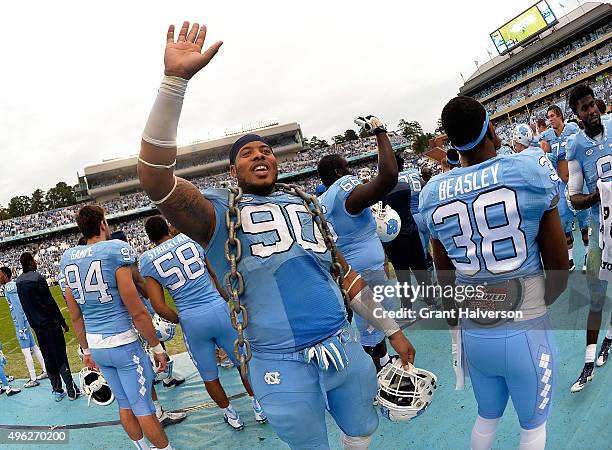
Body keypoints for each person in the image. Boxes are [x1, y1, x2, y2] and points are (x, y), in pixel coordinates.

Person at [137, 20, 414, 449]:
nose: (259, 154)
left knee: (362, 431)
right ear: (234, 172)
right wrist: (174, 83)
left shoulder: (303, 204)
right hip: (278, 361)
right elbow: (156, 179)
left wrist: (392, 329)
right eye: (247, 153)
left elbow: (345, 276)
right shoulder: (217, 214)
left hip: (342, 343)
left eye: (265, 149)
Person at [421, 96, 568, 450]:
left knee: (486, 417)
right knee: (532, 427)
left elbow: (444, 277)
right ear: (490, 129)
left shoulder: (432, 193)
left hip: (475, 333)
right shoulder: (528, 170)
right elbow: (559, 269)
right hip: (526, 329)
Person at [61, 205, 173, 450]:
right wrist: (156, 347)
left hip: (97, 346)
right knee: (144, 408)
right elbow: (137, 310)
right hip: (123, 343)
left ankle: (143, 448)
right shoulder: (115, 250)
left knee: (124, 403)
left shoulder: (69, 258)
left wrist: (87, 351)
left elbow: (76, 316)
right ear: (102, 224)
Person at [140, 215, 267, 429]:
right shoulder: (190, 240)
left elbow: (159, 306)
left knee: (210, 376)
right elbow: (216, 277)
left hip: (192, 319)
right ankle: (258, 406)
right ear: (167, 228)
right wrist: (226, 301)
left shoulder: (148, 259)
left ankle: (231, 415)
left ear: (150, 239)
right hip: (217, 308)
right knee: (242, 363)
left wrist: (182, 319)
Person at [317, 116, 401, 372]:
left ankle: (383, 363)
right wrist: (380, 131)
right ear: (338, 173)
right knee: (372, 329)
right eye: (347, 167)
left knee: (372, 326)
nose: (352, 172)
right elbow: (387, 178)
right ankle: (376, 377)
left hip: (351, 270)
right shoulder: (344, 191)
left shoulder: (324, 201)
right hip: (363, 273)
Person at [109, 229, 187, 427]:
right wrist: (154, 299)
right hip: (135, 315)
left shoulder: (106, 263)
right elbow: (140, 285)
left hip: (111, 329)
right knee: (149, 356)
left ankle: (164, 384)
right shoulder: (125, 262)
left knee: (141, 365)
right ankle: (157, 412)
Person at [567, 84, 612, 391]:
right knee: (596, 294)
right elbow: (574, 197)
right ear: (577, 114)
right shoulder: (575, 147)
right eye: (584, 108)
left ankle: (609, 337)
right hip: (601, 227)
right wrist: (600, 194)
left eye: (592, 104)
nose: (591, 110)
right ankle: (587, 361)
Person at [16, 252, 79, 401]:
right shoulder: (37, 278)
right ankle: (71, 390)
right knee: (60, 356)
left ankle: (57, 389)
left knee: (48, 357)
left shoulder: (19, 282)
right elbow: (50, 302)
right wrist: (62, 322)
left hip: (37, 327)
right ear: (31, 262)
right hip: (50, 325)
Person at [384, 154, 433, 310]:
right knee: (421, 267)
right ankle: (430, 299)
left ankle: (407, 306)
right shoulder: (405, 185)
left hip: (395, 236)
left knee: (402, 274)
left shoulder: (383, 190)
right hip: (414, 226)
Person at [540, 105, 581, 271]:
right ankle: (571, 258)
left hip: (577, 177)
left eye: (552, 116)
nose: (550, 120)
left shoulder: (572, 129)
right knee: (563, 220)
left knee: (586, 218)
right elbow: (537, 142)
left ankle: (586, 254)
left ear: (560, 116)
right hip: (561, 183)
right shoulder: (547, 136)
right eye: (548, 117)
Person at [0, 267, 47, 387]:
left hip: (20, 323)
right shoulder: (13, 285)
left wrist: (21, 328)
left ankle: (33, 378)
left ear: (5, 275)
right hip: (24, 320)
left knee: (26, 351)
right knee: (34, 347)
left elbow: (18, 308)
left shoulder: (9, 287)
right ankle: (45, 370)